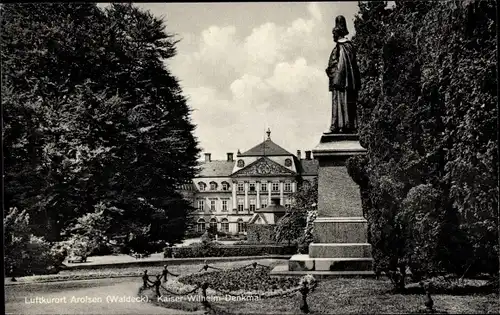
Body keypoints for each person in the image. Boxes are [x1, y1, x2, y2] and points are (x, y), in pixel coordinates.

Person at [325, 15, 361, 134]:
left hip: (340, 82)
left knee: (341, 102)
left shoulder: (344, 47)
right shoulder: (347, 47)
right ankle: (342, 125)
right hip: (344, 82)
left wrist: (334, 74)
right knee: (342, 103)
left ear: (337, 33)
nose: (332, 36)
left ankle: (339, 126)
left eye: (333, 34)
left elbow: (341, 66)